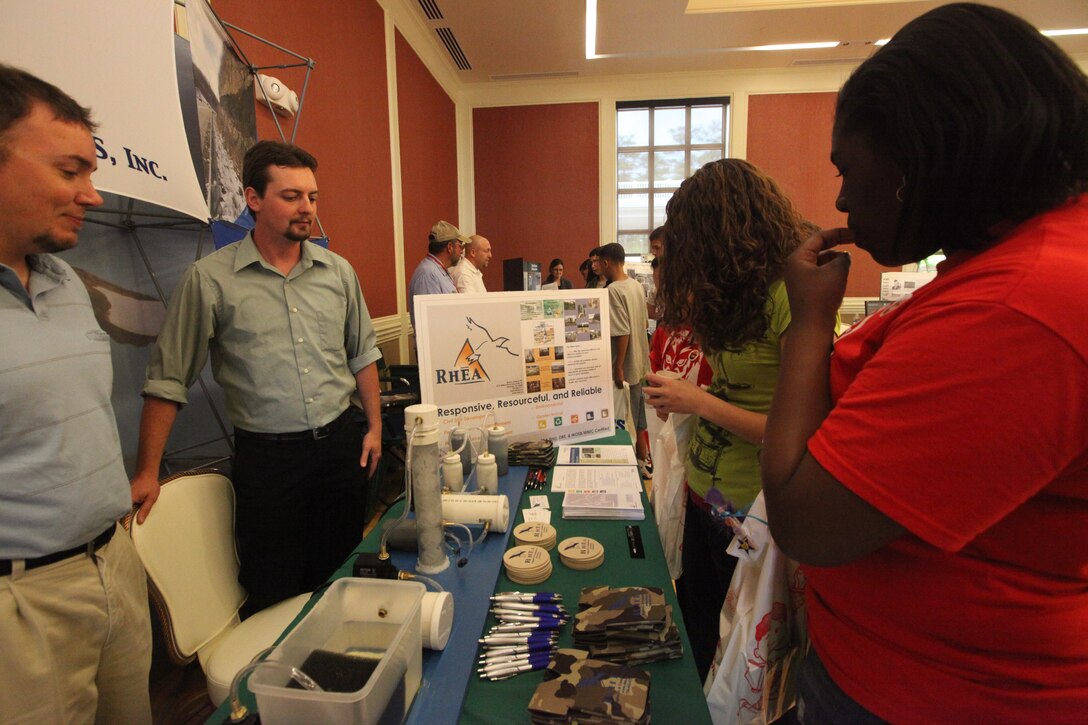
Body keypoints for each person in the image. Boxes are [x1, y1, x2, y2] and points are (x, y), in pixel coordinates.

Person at [761, 4, 1088, 722]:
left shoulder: (1019, 305)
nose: (842, 197)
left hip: (935, 694)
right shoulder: (1010, 269)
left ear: (920, 156)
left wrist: (810, 322)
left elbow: (804, 516)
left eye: (848, 169)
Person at [132, 140, 383, 618]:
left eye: (312, 196)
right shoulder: (209, 281)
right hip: (269, 462)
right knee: (274, 585)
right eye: (291, 196)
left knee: (340, 575)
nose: (306, 208)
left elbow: (363, 353)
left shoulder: (338, 273)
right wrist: (147, 472)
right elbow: (167, 380)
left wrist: (372, 427)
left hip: (339, 448)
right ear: (253, 199)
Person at [0, 64, 152, 724]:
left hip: (115, 565)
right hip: (26, 605)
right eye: (70, 172)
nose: (91, 195)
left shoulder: (65, 282)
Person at [644, 158, 811, 681]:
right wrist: (688, 397)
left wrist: (695, 400)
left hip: (751, 507)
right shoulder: (734, 295)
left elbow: (798, 428)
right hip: (706, 494)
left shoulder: (788, 294)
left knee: (736, 654)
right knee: (698, 630)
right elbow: (734, 386)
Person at [597, 242, 652, 475]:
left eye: (598, 262)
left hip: (627, 366)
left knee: (625, 419)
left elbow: (622, 331)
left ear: (606, 263)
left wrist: (618, 366)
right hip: (641, 362)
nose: (597, 266)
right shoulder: (636, 286)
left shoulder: (613, 291)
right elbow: (643, 324)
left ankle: (633, 464)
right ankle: (644, 460)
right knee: (639, 417)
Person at [647, 257, 711, 387]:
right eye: (661, 289)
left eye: (670, 288)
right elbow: (656, 365)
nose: (665, 296)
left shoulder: (718, 335)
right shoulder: (664, 330)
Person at [408, 219, 466, 327]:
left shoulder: (439, 271)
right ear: (450, 247)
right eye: (460, 245)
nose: (462, 251)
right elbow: (432, 323)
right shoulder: (428, 275)